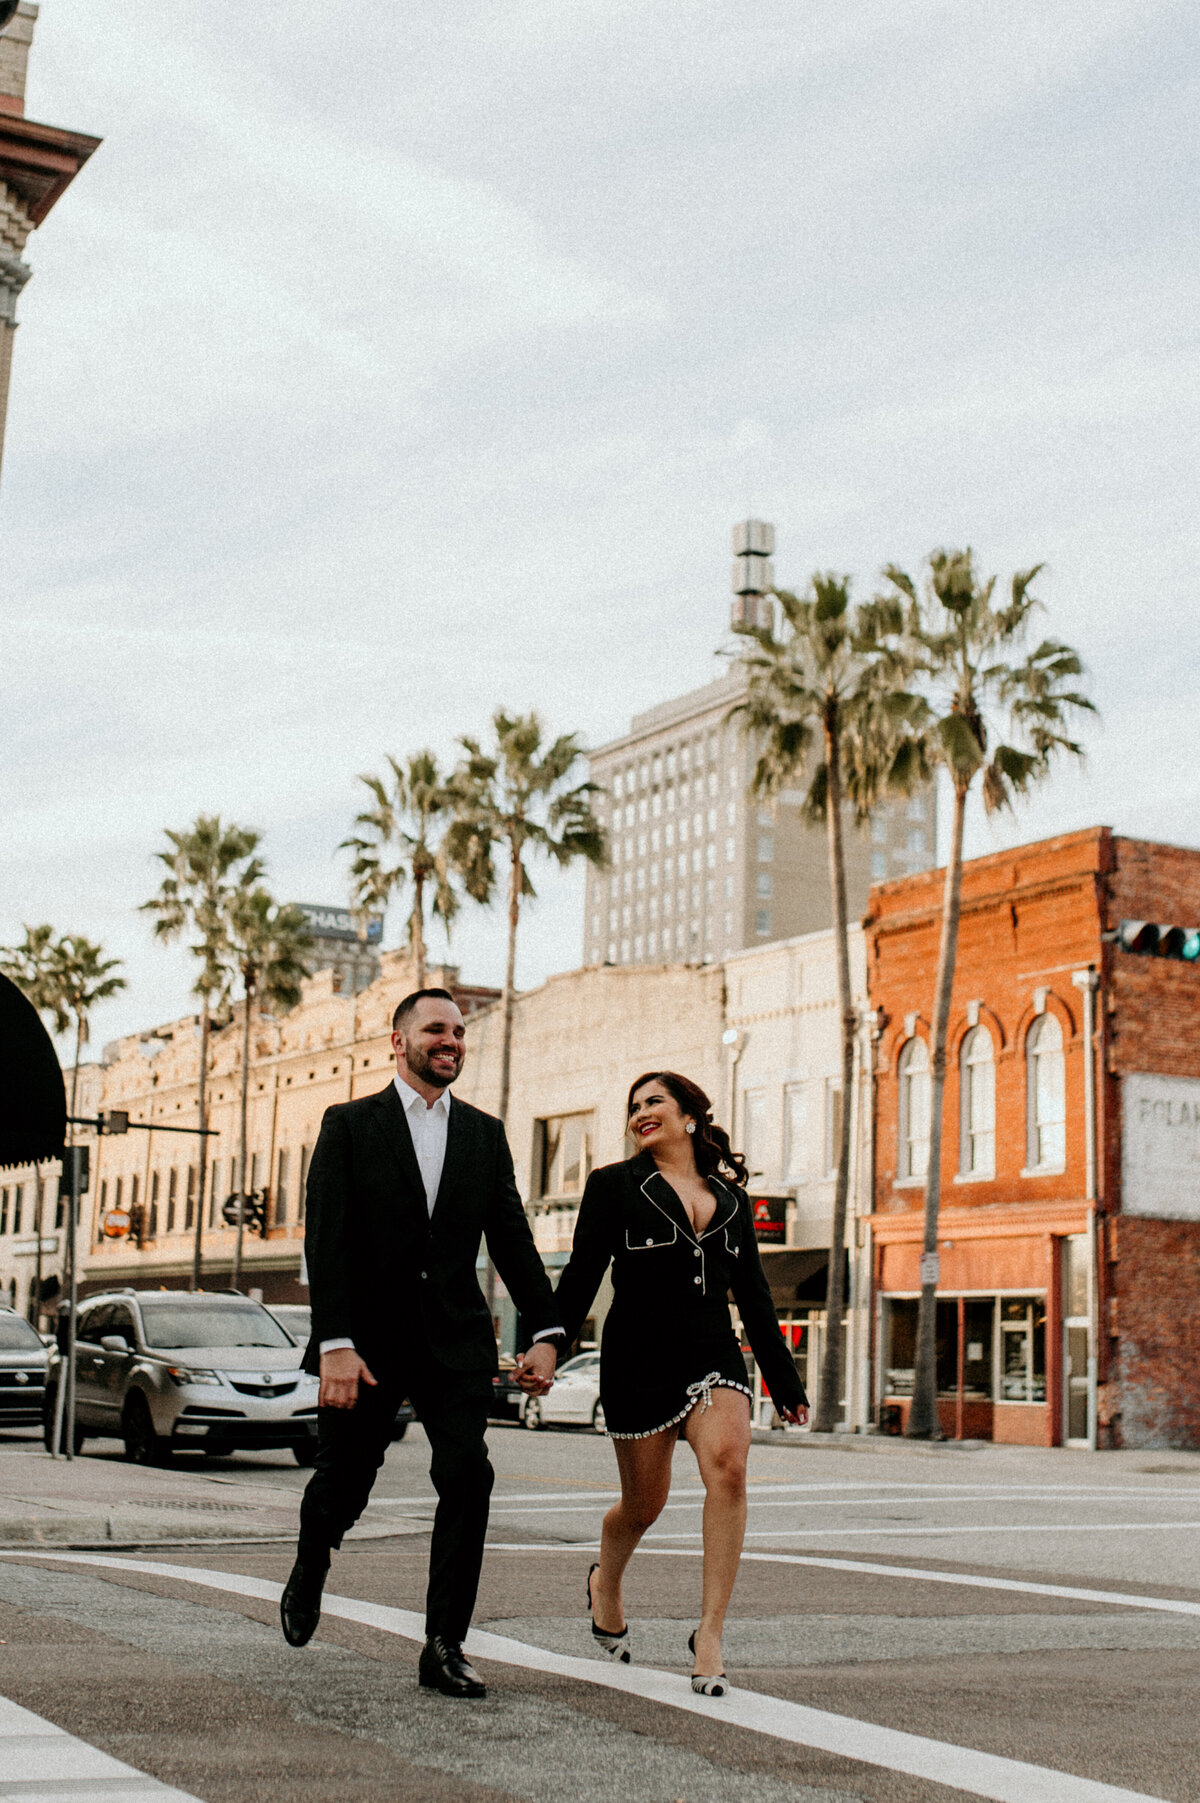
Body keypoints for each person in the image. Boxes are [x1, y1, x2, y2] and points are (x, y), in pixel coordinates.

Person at [280, 987, 565, 1699]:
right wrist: (335, 1342)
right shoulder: (348, 1124)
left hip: (454, 1340)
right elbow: (327, 1239)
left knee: (469, 1473)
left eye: (460, 1031)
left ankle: (445, 1643)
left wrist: (548, 1331)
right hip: (367, 1344)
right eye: (436, 1028)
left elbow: (512, 1240)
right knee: (344, 1482)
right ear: (398, 1040)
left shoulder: (484, 1133)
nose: (452, 1040)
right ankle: (313, 1556)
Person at [553, 1071, 808, 1696]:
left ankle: (711, 1633)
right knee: (645, 1503)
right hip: (638, 1352)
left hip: (711, 1349)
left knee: (729, 1466)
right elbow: (583, 1273)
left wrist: (784, 1382)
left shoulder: (730, 1200)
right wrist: (548, 1345)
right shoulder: (614, 1186)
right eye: (634, 1105)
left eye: (654, 1101)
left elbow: (752, 1296)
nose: (641, 1112)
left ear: (689, 1115)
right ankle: (604, 1583)